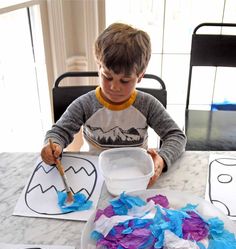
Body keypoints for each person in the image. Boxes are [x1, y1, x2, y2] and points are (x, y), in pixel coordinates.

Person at [41, 22, 186, 186]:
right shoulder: (85, 104)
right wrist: (52, 146)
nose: (114, 87)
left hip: (136, 177)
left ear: (140, 76)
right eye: (107, 76)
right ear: (99, 67)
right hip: (97, 178)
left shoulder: (148, 105)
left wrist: (162, 158)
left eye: (125, 80)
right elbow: (60, 131)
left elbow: (176, 136)